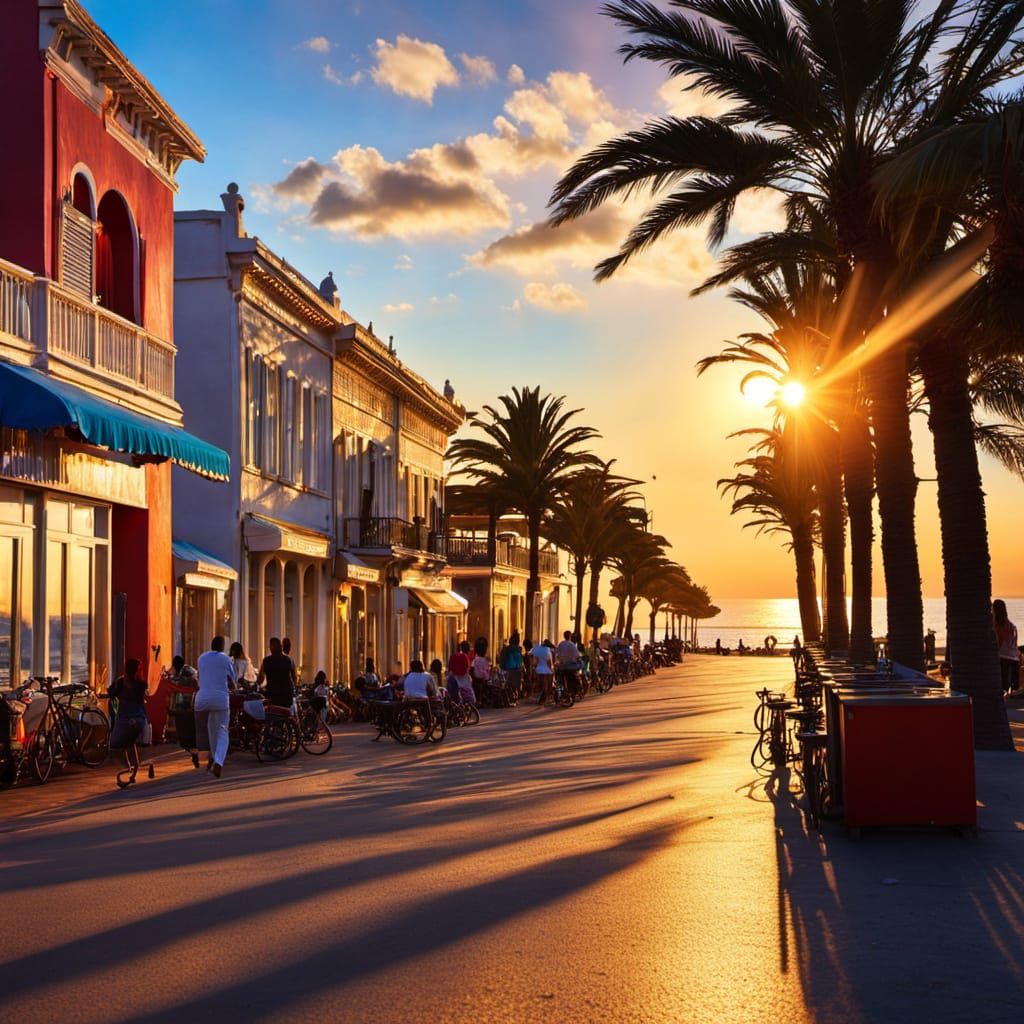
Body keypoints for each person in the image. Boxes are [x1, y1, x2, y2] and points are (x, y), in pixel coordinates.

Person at [195, 636, 235, 777]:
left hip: (202, 700)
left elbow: (199, 677)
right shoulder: (225, 659)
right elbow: (233, 678)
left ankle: (212, 757)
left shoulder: (201, 658)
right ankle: (218, 761)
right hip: (220, 699)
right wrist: (234, 685)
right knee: (222, 730)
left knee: (211, 729)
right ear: (222, 647)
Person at [108, 658, 148, 767]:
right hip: (139, 720)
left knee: (115, 746)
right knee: (131, 741)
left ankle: (126, 766)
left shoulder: (120, 683)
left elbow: (110, 692)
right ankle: (135, 763)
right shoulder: (142, 684)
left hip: (124, 720)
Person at [257, 636, 297, 709]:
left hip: (272, 694)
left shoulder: (266, 660)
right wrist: (293, 689)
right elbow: (294, 677)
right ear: (281, 647)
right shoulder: (289, 660)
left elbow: (261, 678)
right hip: (286, 695)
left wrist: (257, 686)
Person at [993, 600, 1020, 696]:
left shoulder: (997, 625)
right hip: (1014, 659)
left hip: (1003, 659)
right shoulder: (1012, 626)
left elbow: (998, 644)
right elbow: (1015, 646)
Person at [499, 631, 524, 699]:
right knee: (514, 685)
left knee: (509, 685)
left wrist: (502, 667)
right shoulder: (519, 649)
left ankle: (511, 696)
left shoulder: (507, 649)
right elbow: (521, 661)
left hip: (509, 669)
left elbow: (502, 659)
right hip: (517, 670)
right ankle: (514, 696)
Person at [530, 637, 554, 703]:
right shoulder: (548, 651)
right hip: (547, 670)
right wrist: (551, 670)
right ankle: (545, 698)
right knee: (547, 684)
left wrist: (534, 668)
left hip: (539, 669)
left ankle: (542, 698)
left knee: (541, 684)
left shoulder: (538, 652)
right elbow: (549, 662)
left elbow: (535, 662)